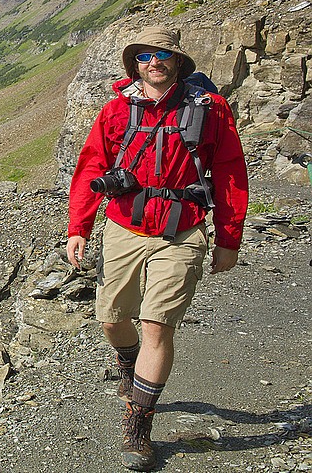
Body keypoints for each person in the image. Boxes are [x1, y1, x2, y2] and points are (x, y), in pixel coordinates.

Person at [66, 25, 248, 471]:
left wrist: (228, 238)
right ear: (135, 64)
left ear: (179, 61)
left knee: (156, 326)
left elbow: (228, 173)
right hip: (124, 226)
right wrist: (79, 226)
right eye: (145, 56)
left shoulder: (212, 110)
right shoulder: (115, 111)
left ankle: (138, 426)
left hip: (182, 231)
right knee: (112, 321)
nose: (155, 62)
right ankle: (129, 366)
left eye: (164, 55)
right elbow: (92, 164)